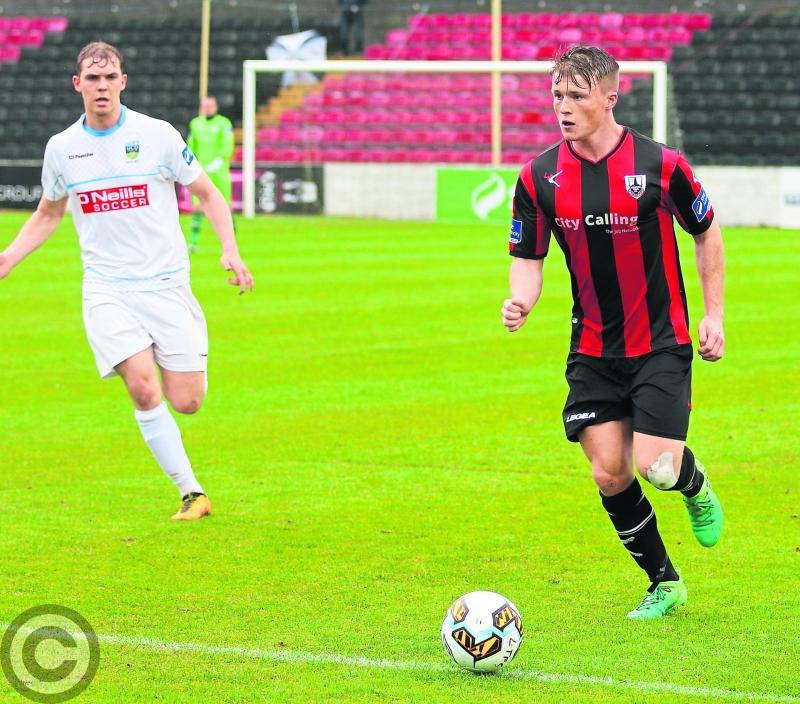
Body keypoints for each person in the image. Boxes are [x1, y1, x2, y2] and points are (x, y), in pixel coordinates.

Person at [501, 46, 725, 619]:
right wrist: (522, 298)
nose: (564, 107)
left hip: (661, 341)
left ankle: (692, 481)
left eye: (577, 96)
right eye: (557, 94)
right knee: (609, 470)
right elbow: (527, 254)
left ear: (609, 97)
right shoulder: (537, 176)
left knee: (658, 467)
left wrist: (713, 314)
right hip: (594, 347)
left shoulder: (661, 165)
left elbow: (705, 232)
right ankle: (663, 583)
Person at [0, 42, 254, 521]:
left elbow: (207, 194)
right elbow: (48, 213)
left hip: (166, 285)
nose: (101, 86)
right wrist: (9, 257)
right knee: (141, 387)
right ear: (78, 84)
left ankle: (170, 355)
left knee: (188, 401)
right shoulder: (62, 149)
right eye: (92, 79)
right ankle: (192, 493)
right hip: (107, 290)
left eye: (109, 76)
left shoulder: (155, 135)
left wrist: (230, 249)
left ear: (122, 81)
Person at [186, 95, 235, 253]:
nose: (207, 109)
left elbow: (227, 144)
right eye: (205, 106)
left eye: (210, 106)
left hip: (219, 172)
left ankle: (231, 243)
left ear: (215, 107)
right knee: (198, 207)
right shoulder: (196, 124)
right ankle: (194, 242)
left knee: (225, 206)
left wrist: (220, 160)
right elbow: (190, 146)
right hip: (201, 172)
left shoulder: (224, 123)